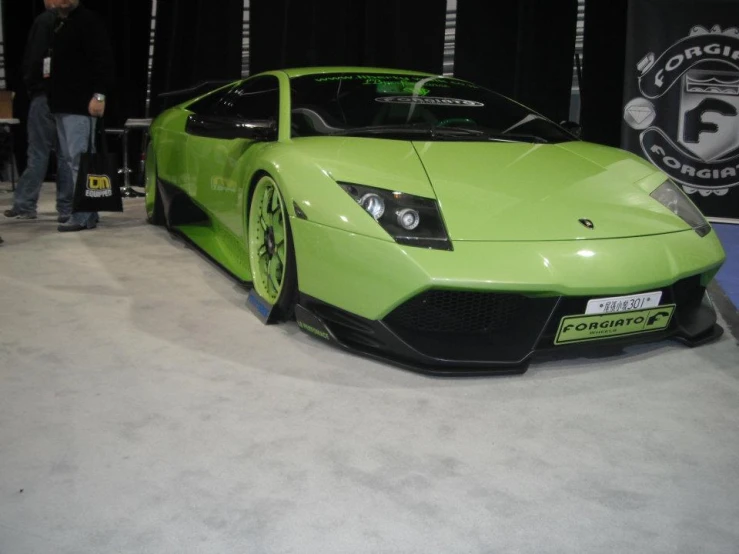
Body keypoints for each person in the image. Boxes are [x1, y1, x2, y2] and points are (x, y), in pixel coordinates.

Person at [3, 0, 74, 222]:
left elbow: (34, 58)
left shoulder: (45, 20)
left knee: (38, 152)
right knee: (66, 155)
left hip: (44, 95)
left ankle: (25, 204)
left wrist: (32, 85)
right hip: (69, 98)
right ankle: (66, 207)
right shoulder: (79, 22)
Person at [49, 0, 114, 232]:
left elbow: (103, 61)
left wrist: (99, 95)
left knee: (81, 160)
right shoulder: (60, 23)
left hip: (81, 105)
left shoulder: (88, 21)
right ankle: (88, 212)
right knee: (71, 160)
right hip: (62, 104)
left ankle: (83, 214)